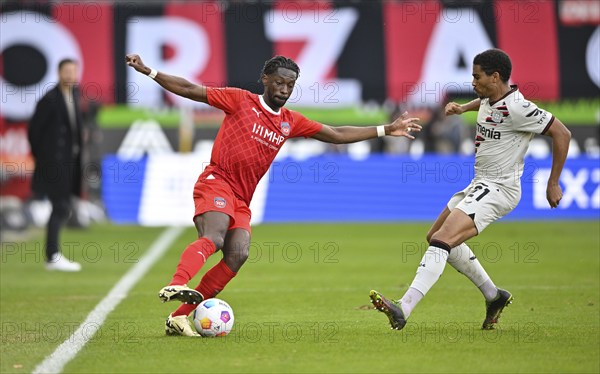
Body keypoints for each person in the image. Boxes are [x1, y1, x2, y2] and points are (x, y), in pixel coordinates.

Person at [125, 53, 422, 336]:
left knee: (237, 254)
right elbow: (190, 89)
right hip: (217, 181)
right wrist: (149, 71)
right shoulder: (240, 100)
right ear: (265, 79)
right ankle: (177, 283)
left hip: (242, 198)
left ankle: (178, 317)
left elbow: (336, 134)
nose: (284, 90)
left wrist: (386, 129)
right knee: (214, 238)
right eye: (279, 82)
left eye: (290, 85)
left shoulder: (289, 121)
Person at [370, 48, 571, 331]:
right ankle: (494, 296)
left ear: (495, 76)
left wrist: (553, 182)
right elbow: (487, 105)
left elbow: (562, 133)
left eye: (477, 77)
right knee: (435, 237)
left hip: (500, 187)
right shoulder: (492, 97)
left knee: (442, 240)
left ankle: (404, 307)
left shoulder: (519, 107)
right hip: (480, 183)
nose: (472, 82)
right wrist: (463, 108)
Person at [28, 58, 84, 272]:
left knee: (63, 206)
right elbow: (34, 132)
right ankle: (52, 256)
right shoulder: (50, 99)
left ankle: (53, 255)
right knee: (60, 206)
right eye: (66, 71)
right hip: (54, 165)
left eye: (73, 71)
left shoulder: (74, 95)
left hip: (69, 163)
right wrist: (44, 159)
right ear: (59, 73)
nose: (70, 75)